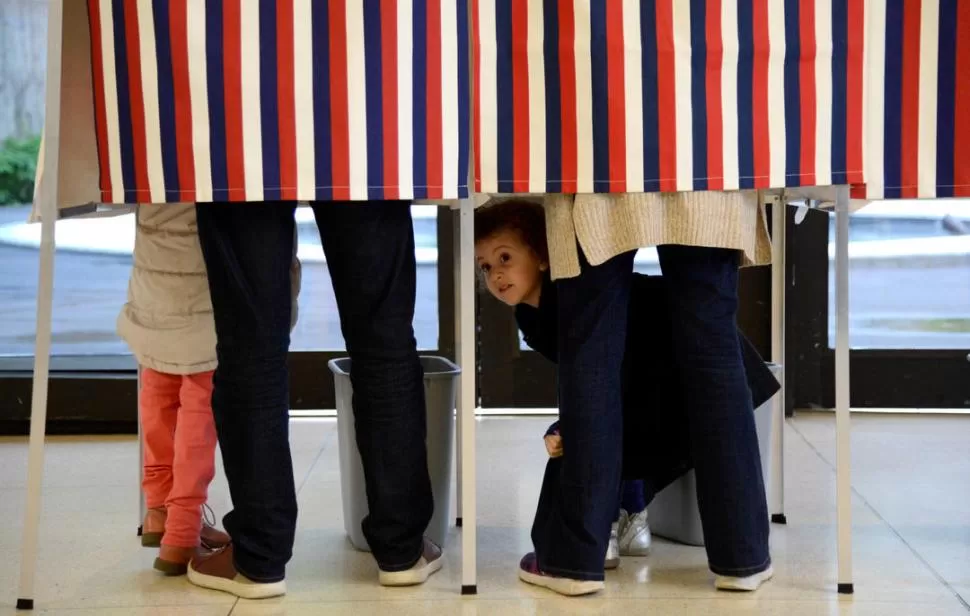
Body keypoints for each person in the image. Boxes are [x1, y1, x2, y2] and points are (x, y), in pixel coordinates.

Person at [474, 200, 779, 592]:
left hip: (604, 169)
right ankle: (743, 559)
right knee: (708, 338)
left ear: (543, 256)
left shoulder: (553, 310)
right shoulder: (531, 315)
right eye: (486, 267)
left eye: (504, 259)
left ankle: (575, 556)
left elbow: (622, 378)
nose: (495, 275)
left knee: (590, 389)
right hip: (702, 161)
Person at [185, 201, 439, 600]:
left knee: (251, 349)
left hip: (242, 143)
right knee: (383, 339)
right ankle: (402, 550)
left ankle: (258, 559)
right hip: (364, 141)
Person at [119, 202, 297, 575]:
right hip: (207, 280)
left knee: (158, 383)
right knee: (200, 406)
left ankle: (158, 510)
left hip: (155, 274)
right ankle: (183, 530)